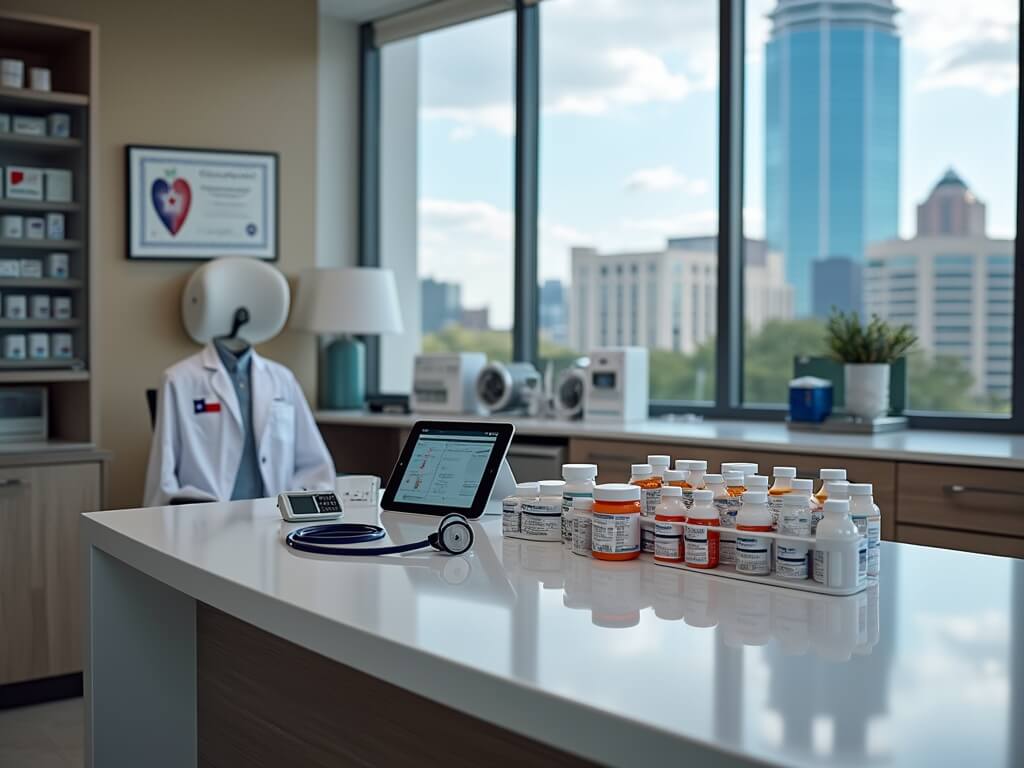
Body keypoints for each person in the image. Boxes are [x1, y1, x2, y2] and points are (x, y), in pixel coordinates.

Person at [144, 337, 335, 507]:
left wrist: (297, 509)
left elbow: (315, 465)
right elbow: (164, 474)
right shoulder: (178, 380)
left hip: (273, 519)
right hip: (203, 521)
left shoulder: (283, 379)